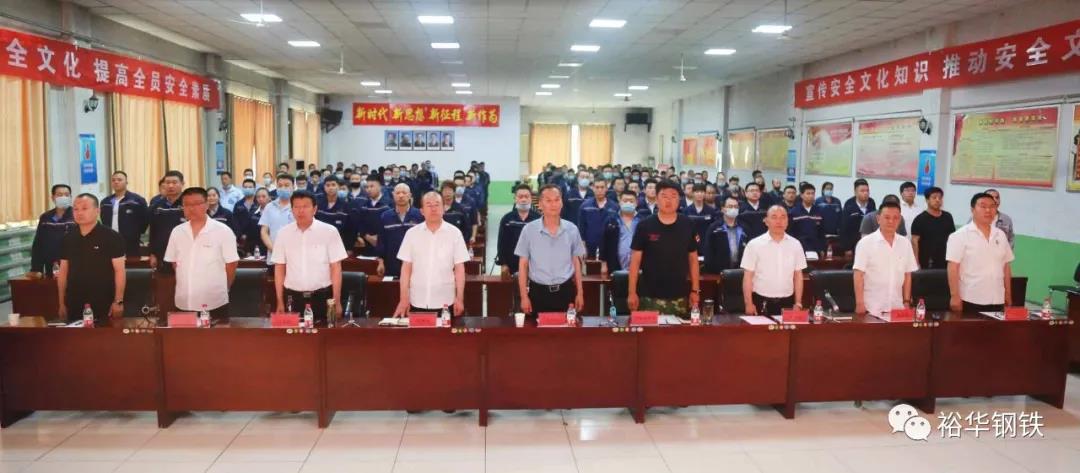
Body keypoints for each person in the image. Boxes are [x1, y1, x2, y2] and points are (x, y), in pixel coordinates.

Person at [627, 179, 701, 319]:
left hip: (680, 296)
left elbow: (693, 260)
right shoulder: (644, 225)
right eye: (664, 196)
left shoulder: (688, 224)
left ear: (679, 200)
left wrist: (695, 290)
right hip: (649, 296)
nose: (669, 200)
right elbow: (635, 262)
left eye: (673, 196)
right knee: (648, 332)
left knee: (679, 332)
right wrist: (632, 292)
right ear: (656, 199)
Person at [164, 187, 240, 320]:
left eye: (196, 204)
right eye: (187, 205)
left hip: (214, 302)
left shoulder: (223, 231)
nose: (191, 208)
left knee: (216, 334)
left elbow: (232, 264)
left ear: (206, 205)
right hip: (183, 301)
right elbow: (174, 263)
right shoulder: (177, 232)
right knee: (183, 333)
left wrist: (224, 286)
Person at [272, 190, 348, 321]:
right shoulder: (283, 233)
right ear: (292, 209)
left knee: (324, 333)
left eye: (305, 206)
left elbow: (336, 268)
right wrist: (279, 301)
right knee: (290, 333)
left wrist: (336, 301)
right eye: (296, 207)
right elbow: (279, 268)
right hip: (292, 297)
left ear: (315, 209)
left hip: (322, 296)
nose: (301, 211)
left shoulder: (329, 231)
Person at [393, 191, 470, 316]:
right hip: (416, 300)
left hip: (445, 301)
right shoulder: (412, 234)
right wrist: (403, 298)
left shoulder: (455, 233)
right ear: (422, 211)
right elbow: (406, 269)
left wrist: (459, 298)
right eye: (429, 205)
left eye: (437, 205)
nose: (433, 209)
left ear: (443, 209)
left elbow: (459, 269)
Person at [514, 185, 586, 314]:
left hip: (565, 291)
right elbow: (523, 265)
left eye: (557, 199)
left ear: (562, 202)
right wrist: (524, 296)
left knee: (567, 327)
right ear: (540, 204)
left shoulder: (572, 229)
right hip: (538, 292)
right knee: (537, 327)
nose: (554, 204)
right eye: (548, 200)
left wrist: (580, 293)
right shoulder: (529, 230)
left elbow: (576, 263)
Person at [56, 194, 125, 322]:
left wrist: (118, 301)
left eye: (84, 208)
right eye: (76, 209)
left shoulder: (112, 237)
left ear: (97, 211)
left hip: (104, 301)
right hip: (74, 301)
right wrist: (61, 303)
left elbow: (120, 271)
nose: (79, 213)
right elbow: (63, 272)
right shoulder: (68, 238)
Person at [946, 192, 1014, 313]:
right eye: (983, 206)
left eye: (992, 206)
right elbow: (952, 268)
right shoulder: (959, 236)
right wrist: (955, 296)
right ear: (973, 209)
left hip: (998, 298)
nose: (988, 210)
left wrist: (1008, 293)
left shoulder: (1001, 235)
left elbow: (1006, 267)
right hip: (971, 299)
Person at [853, 201, 918, 316]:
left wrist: (906, 301)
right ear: (878, 219)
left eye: (895, 218)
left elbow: (907, 275)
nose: (891, 221)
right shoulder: (865, 243)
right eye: (887, 217)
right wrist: (859, 303)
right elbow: (858, 275)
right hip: (871, 308)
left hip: (897, 307)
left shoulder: (905, 243)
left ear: (900, 220)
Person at [741, 206, 808, 316]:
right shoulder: (754, 245)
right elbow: (747, 277)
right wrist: (748, 303)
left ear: (787, 221)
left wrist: (798, 302)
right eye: (774, 217)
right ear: (766, 221)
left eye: (783, 217)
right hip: (761, 300)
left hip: (788, 301)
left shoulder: (795, 244)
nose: (779, 221)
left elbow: (798, 276)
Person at [375, 183, 423, 278]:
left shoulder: (420, 215)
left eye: (404, 193)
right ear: (393, 195)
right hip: (391, 264)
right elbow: (381, 242)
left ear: (410, 195)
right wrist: (380, 262)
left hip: (415, 264)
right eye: (398, 193)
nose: (401, 195)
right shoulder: (385, 216)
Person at [29, 184, 76, 278]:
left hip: (74, 266)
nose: (63, 197)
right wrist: (36, 269)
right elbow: (38, 244)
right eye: (60, 195)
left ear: (71, 197)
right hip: (51, 266)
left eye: (67, 195)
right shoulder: (46, 217)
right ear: (53, 197)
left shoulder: (77, 216)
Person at [100, 171, 148, 257]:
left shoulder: (137, 200)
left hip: (131, 242)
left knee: (131, 263)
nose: (116, 182)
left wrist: (134, 233)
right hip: (110, 240)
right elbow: (104, 220)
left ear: (126, 182)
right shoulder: (105, 202)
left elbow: (145, 219)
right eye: (113, 180)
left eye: (119, 180)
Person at [496, 185, 540, 276]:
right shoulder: (507, 219)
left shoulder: (538, 219)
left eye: (526, 197)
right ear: (515, 198)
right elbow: (501, 243)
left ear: (531, 198)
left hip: (533, 265)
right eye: (520, 197)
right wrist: (503, 264)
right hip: (511, 264)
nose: (523, 200)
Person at [148, 171, 186, 272]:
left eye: (174, 182)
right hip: (163, 255)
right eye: (167, 182)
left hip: (185, 254)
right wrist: (152, 253)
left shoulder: (189, 204)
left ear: (182, 184)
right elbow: (153, 232)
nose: (170, 186)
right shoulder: (157, 206)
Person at [909, 187, 954, 270]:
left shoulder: (948, 217)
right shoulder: (920, 219)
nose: (937, 200)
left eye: (940, 198)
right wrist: (916, 263)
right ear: (927, 200)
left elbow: (952, 238)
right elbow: (914, 242)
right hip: (926, 262)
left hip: (945, 261)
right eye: (934, 197)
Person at [702, 196, 749, 274]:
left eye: (736, 207)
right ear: (723, 209)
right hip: (719, 272)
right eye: (730, 206)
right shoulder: (714, 228)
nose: (733, 209)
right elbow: (708, 251)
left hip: (741, 271)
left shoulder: (744, 227)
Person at [600, 190, 643, 272]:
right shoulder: (611, 220)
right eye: (625, 201)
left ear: (636, 203)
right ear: (619, 202)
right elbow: (604, 242)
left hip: (638, 266)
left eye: (631, 201)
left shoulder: (642, 221)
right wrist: (603, 264)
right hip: (615, 264)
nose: (628, 203)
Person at [352, 174, 392, 256]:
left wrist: (379, 238)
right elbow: (360, 224)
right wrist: (368, 237)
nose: (369, 189)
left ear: (380, 187)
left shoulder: (389, 204)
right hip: (367, 246)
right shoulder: (364, 205)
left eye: (372, 186)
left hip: (386, 246)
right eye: (367, 187)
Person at [259, 174, 296, 263]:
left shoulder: (299, 206)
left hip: (295, 255)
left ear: (293, 187)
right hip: (274, 256)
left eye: (286, 185)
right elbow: (264, 232)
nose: (283, 188)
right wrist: (275, 250)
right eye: (280, 186)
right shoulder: (269, 206)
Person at [578, 178, 619, 257]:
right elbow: (581, 228)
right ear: (593, 188)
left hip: (609, 247)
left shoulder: (615, 207)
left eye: (602, 187)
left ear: (606, 188)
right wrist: (583, 247)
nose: (599, 190)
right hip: (590, 246)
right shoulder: (585, 206)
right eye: (597, 187)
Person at [315, 177, 355, 252]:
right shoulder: (318, 205)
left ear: (338, 187)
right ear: (324, 187)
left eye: (333, 185)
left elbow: (350, 229)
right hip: (320, 245)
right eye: (328, 185)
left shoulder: (346, 205)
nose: (330, 188)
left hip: (340, 245)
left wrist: (349, 248)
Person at [840, 179, 876, 254]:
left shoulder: (871, 203)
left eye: (867, 191)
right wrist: (847, 248)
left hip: (869, 243)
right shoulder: (849, 204)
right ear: (855, 192)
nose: (866, 193)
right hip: (853, 244)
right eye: (862, 191)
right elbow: (844, 228)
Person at [787, 183, 825, 253]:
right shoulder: (794, 212)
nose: (811, 196)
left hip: (815, 249)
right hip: (798, 249)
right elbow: (790, 232)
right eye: (808, 193)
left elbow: (821, 232)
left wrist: (821, 248)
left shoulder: (819, 211)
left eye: (813, 193)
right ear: (801, 195)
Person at [683, 183, 717, 253]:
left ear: (705, 194)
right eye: (697, 192)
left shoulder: (711, 211)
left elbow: (713, 229)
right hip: (690, 245)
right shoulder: (686, 211)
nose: (699, 194)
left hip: (707, 245)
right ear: (693, 193)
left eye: (702, 192)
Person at [232, 179, 259, 254]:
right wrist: (240, 235)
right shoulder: (238, 204)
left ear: (254, 189)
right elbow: (235, 222)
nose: (248, 189)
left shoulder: (259, 203)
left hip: (258, 238)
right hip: (243, 239)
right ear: (242, 189)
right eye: (245, 187)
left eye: (250, 187)